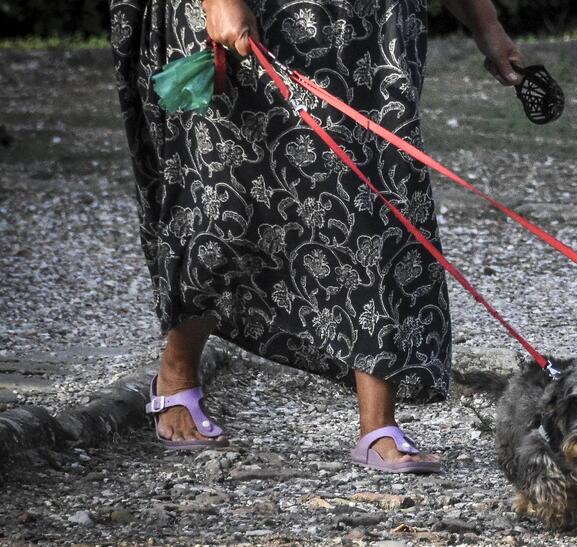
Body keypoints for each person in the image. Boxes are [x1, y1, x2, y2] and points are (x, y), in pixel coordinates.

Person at [110, 0, 524, 472]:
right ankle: (177, 374)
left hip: (369, 26)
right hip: (248, 16)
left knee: (378, 200)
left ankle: (378, 426)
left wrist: (485, 23)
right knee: (224, 202)